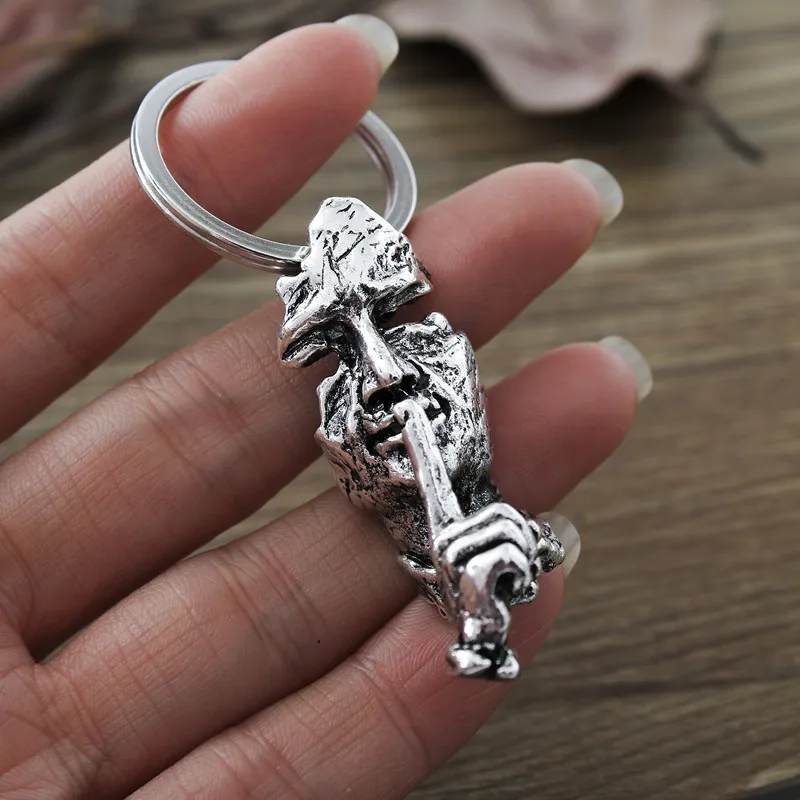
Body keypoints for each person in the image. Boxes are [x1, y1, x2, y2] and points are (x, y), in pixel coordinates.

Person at [0, 15, 651, 799]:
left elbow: (447, 423)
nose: (383, 374)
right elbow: (368, 477)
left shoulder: (436, 350)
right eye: (340, 330)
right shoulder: (345, 408)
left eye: (377, 317)